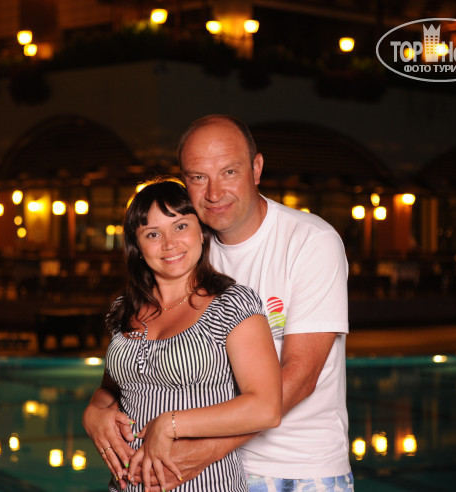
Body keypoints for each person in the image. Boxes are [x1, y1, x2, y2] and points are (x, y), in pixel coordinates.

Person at [174, 114, 353, 491]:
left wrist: (205, 450)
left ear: (256, 169)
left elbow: (300, 377)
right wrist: (99, 408)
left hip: (299, 471)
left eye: (229, 172)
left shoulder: (310, 241)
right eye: (198, 177)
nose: (214, 193)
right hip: (217, 474)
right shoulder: (188, 253)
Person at [83, 178, 282, 492]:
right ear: (137, 248)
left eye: (180, 226)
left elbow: (266, 408)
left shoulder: (232, 304)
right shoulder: (125, 308)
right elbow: (111, 388)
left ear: (201, 232)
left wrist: (170, 424)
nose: (169, 243)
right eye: (153, 234)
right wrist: (94, 412)